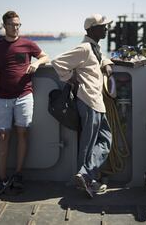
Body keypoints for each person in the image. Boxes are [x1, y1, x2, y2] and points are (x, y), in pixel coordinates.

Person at [0, 11, 49, 195]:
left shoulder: (28, 44)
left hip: (24, 96)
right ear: (4, 26)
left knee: (22, 133)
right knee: (3, 136)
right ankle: (2, 178)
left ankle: (19, 174)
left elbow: (45, 56)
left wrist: (37, 64)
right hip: (2, 97)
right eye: (13, 24)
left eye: (18, 24)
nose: (16, 27)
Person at [51, 14, 113, 198]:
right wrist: (72, 81)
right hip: (89, 101)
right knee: (88, 144)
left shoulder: (94, 47)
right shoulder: (85, 48)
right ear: (92, 29)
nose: (106, 29)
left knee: (105, 140)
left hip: (96, 102)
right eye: (103, 26)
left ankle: (85, 175)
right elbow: (57, 62)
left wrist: (107, 63)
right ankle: (87, 179)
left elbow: (99, 59)